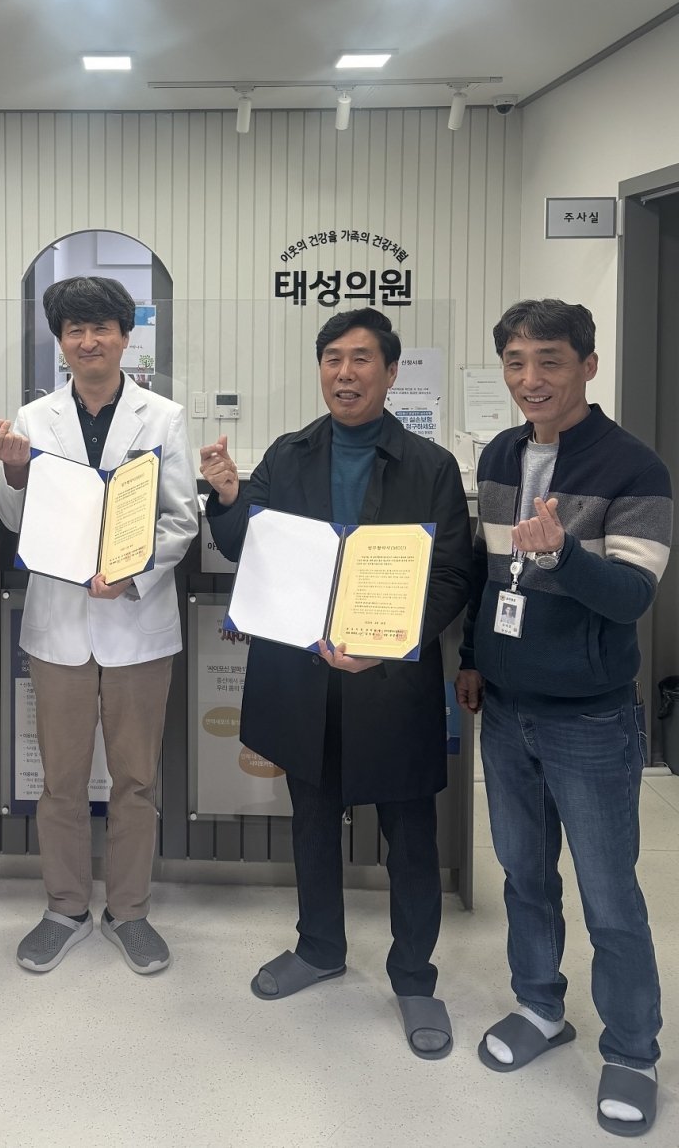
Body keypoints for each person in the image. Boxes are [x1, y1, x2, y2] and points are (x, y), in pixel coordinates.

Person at [201, 307, 472, 1058]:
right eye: (332, 360)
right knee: (313, 820)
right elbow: (246, 546)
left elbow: (453, 574)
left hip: (391, 680)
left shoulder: (430, 466)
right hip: (304, 675)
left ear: (390, 372)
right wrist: (228, 496)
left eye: (360, 360)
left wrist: (385, 644)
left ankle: (413, 977)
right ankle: (319, 947)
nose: (344, 374)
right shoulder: (288, 454)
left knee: (409, 835)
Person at [455, 300, 672, 1137]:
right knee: (523, 877)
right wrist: (472, 658)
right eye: (514, 362)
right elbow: (487, 578)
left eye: (548, 360)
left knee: (608, 895)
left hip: (588, 719)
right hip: (506, 708)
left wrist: (562, 554)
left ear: (587, 364)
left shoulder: (633, 467)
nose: (530, 379)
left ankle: (632, 1051)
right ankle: (540, 1008)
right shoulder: (498, 455)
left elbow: (630, 597)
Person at [0, 276, 197, 975]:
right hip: (59, 626)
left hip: (136, 618)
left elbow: (180, 518)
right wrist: (13, 477)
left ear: (124, 335)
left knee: (136, 780)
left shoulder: (162, 417)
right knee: (61, 780)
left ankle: (130, 911)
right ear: (60, 341)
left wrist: (133, 574)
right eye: (74, 330)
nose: (88, 341)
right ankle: (66, 907)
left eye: (101, 328)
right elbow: (16, 524)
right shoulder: (32, 418)